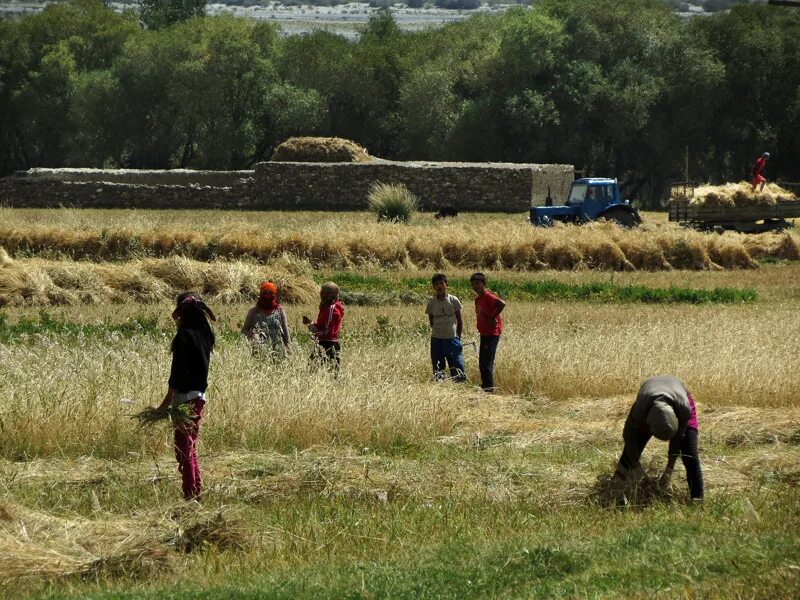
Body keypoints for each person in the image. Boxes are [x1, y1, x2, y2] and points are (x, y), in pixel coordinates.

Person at [154, 291, 216, 501]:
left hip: (185, 400)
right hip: (199, 398)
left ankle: (191, 495)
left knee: (184, 450)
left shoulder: (184, 338)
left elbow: (177, 376)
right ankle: (196, 491)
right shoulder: (205, 336)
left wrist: (163, 406)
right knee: (190, 447)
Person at [614, 375, 704, 500]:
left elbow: (679, 437)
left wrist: (669, 468)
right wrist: (636, 466)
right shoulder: (640, 410)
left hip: (678, 398)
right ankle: (614, 489)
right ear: (648, 425)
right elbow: (628, 435)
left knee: (690, 454)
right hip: (649, 401)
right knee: (633, 447)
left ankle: (697, 500)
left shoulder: (684, 408)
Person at [425, 273, 466, 382]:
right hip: (436, 339)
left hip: (452, 338)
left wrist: (458, 337)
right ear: (433, 287)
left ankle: (459, 386)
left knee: (456, 364)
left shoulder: (453, 300)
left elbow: (459, 320)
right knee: (438, 366)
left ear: (446, 284)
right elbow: (431, 321)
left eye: (441, 283)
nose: (439, 286)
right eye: (436, 284)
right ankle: (441, 388)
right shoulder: (431, 303)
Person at [470, 272, 506, 392]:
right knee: (482, 362)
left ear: (484, 284)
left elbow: (502, 304)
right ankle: (486, 386)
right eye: (474, 284)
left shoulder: (488, 296)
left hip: (491, 333)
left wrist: (493, 317)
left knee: (487, 362)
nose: (476, 286)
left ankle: (489, 389)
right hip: (484, 333)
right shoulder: (478, 299)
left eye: (478, 283)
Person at [241, 281, 290, 358]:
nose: (267, 295)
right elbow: (243, 331)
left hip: (278, 351)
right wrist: (253, 335)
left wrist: (289, 350)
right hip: (259, 353)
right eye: (265, 292)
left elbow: (286, 332)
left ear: (274, 294)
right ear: (260, 294)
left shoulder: (280, 311)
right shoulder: (253, 312)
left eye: (270, 292)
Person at [303, 282, 344, 372]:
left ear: (333, 295)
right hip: (323, 342)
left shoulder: (332, 309)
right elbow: (323, 325)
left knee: (330, 374)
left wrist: (314, 330)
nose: (323, 295)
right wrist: (311, 323)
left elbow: (328, 331)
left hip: (328, 344)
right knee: (311, 372)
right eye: (322, 292)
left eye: (326, 293)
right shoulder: (326, 307)